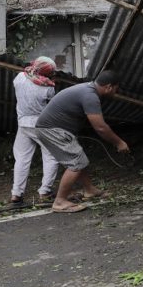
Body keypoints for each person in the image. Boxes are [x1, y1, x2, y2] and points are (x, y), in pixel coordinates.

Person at [35, 70, 130, 213]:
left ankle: (89, 190)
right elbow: (100, 127)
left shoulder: (88, 90)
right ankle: (60, 201)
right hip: (52, 130)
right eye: (115, 89)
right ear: (109, 87)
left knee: (80, 158)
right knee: (76, 162)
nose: (115, 93)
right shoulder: (90, 96)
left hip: (54, 128)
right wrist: (119, 142)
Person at [10, 57, 59, 205]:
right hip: (42, 125)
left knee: (22, 159)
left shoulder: (19, 78)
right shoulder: (48, 87)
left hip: (23, 124)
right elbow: (52, 104)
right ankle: (45, 191)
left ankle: (16, 194)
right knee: (51, 157)